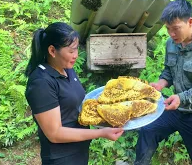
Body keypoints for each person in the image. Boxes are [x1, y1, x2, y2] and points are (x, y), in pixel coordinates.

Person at [135, 0, 192, 165]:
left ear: (190, 22)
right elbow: (169, 70)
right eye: (168, 29)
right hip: (177, 107)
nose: (171, 34)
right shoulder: (171, 44)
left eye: (176, 29)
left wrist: (181, 98)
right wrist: (161, 83)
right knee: (148, 130)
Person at [24, 22, 124, 165]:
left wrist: (107, 118)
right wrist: (100, 133)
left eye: (76, 50)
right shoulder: (41, 82)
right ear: (52, 51)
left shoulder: (66, 68)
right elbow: (55, 134)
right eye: (71, 51)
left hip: (79, 150)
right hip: (61, 158)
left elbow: (75, 105)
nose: (76, 55)